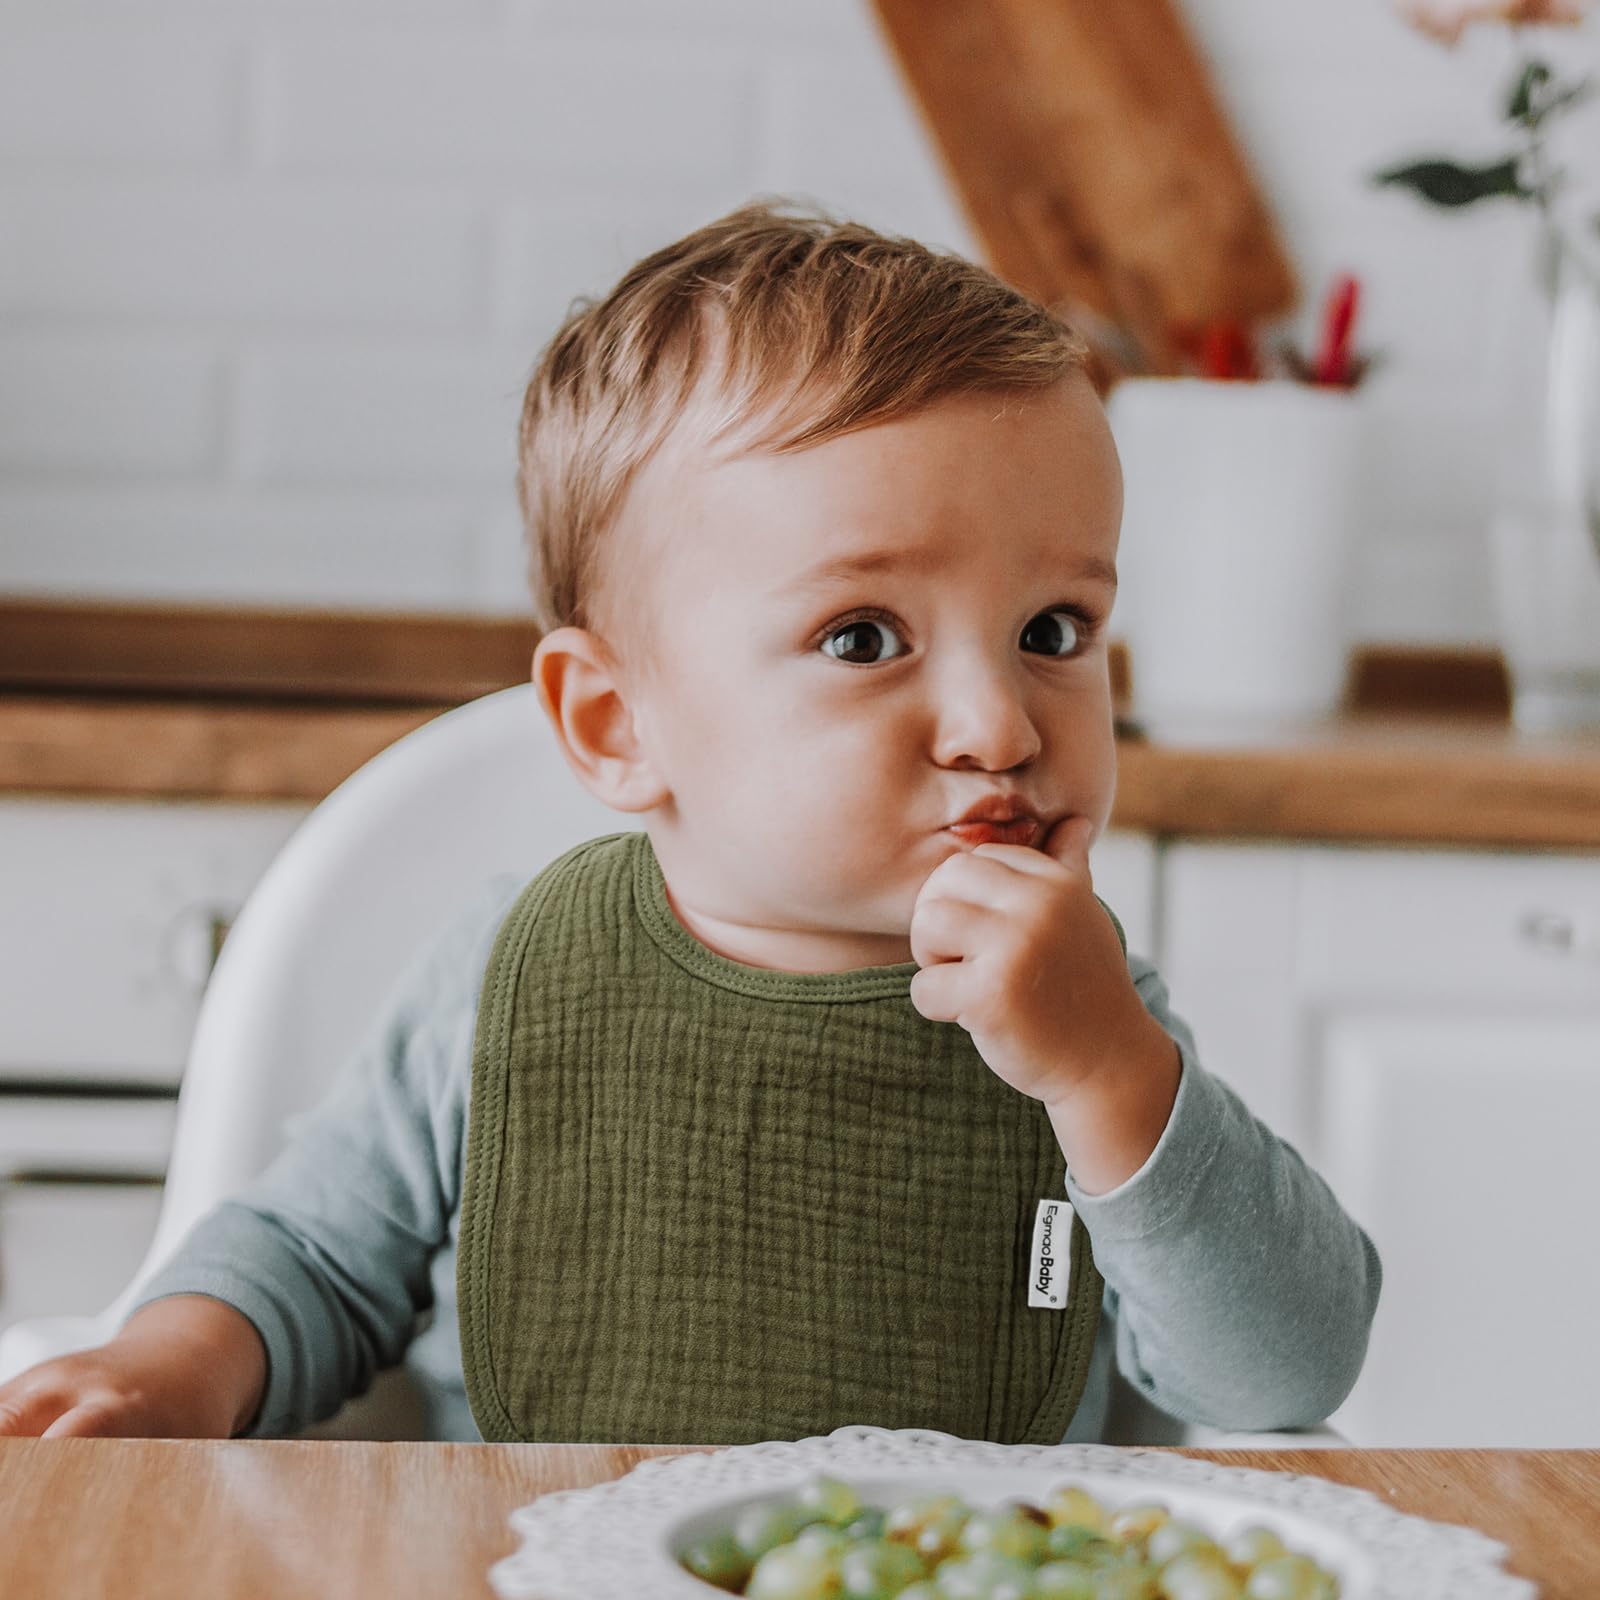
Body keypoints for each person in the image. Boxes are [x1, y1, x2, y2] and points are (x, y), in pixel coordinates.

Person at [0, 201, 1380, 1445]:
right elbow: (311, 1257)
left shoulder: (1082, 1015)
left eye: (1053, 628)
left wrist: (1114, 1079)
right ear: (616, 726)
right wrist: (169, 1369)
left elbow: (1284, 1382)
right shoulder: (502, 978)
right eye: (862, 636)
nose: (1003, 726)